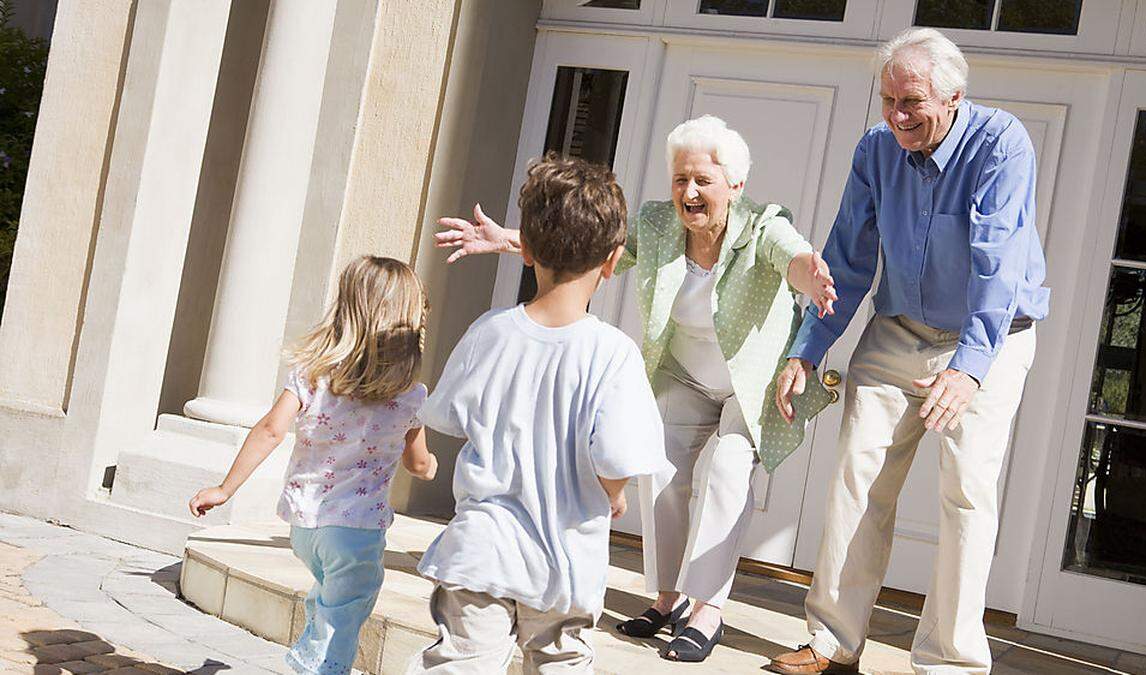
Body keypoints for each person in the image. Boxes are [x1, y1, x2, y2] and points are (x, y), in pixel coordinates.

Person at [435, 115, 837, 662]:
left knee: (725, 470)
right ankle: (668, 597)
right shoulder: (656, 223)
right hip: (685, 372)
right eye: (679, 180)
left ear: (735, 186)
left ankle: (707, 607)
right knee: (664, 470)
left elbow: (791, 256)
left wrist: (808, 275)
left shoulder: (763, 226)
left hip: (748, 383)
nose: (688, 193)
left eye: (702, 181)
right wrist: (512, 241)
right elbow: (589, 248)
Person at [767, 28, 1049, 675]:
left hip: (994, 335)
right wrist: (807, 349)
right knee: (856, 476)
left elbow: (998, 266)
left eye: (911, 102)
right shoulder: (876, 149)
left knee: (966, 492)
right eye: (888, 100)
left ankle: (949, 662)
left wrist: (970, 369)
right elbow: (847, 255)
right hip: (898, 330)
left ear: (953, 96)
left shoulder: (1000, 144)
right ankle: (832, 641)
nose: (896, 116)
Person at [408, 155, 669, 674]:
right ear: (614, 259)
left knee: (461, 663)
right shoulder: (613, 353)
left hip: (481, 551)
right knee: (559, 664)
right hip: (564, 562)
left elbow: (445, 416)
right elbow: (616, 456)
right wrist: (612, 494)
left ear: (523, 249)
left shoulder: (490, 331)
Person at [188, 255, 437, 675]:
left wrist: (224, 490)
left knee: (329, 596)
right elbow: (419, 464)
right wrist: (430, 466)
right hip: (357, 532)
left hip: (305, 526)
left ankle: (312, 652)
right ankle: (319, 667)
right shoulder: (409, 396)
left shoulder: (311, 375)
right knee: (347, 615)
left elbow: (269, 430)